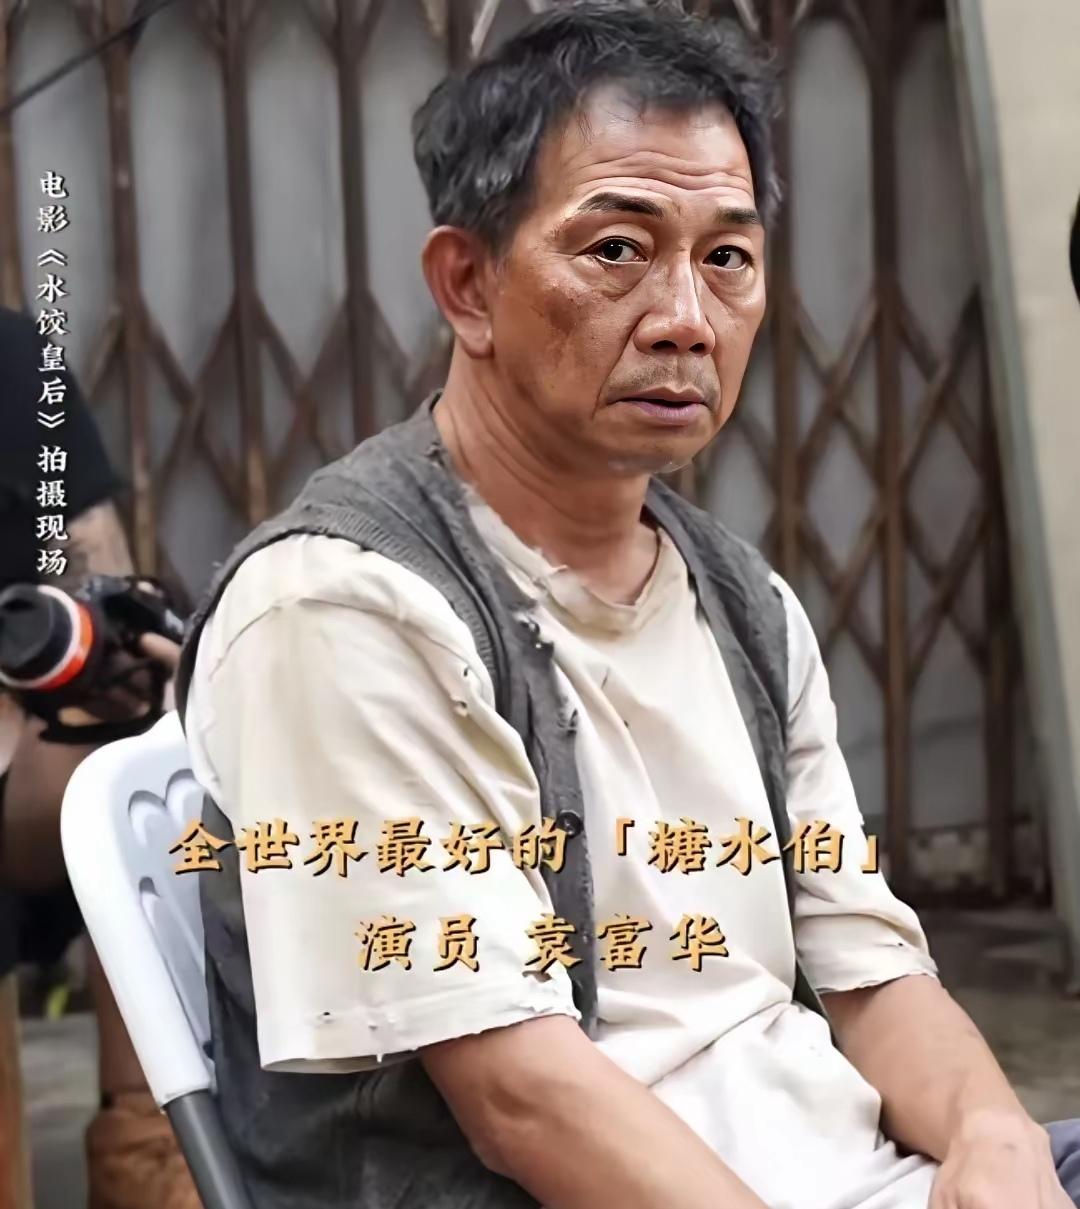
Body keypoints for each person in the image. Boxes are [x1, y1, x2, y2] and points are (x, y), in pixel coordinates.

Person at [175, 4, 1080, 1207]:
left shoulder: (745, 605)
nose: (686, 320)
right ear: (468, 284)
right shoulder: (342, 611)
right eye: (616, 250)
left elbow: (868, 968)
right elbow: (522, 1100)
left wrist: (998, 1140)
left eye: (728, 259)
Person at [0, 304, 199, 1209]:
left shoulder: (12, 361)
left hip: (26, 764)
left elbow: (91, 573)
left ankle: (152, 1142)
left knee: (148, 750)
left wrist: (99, 662)